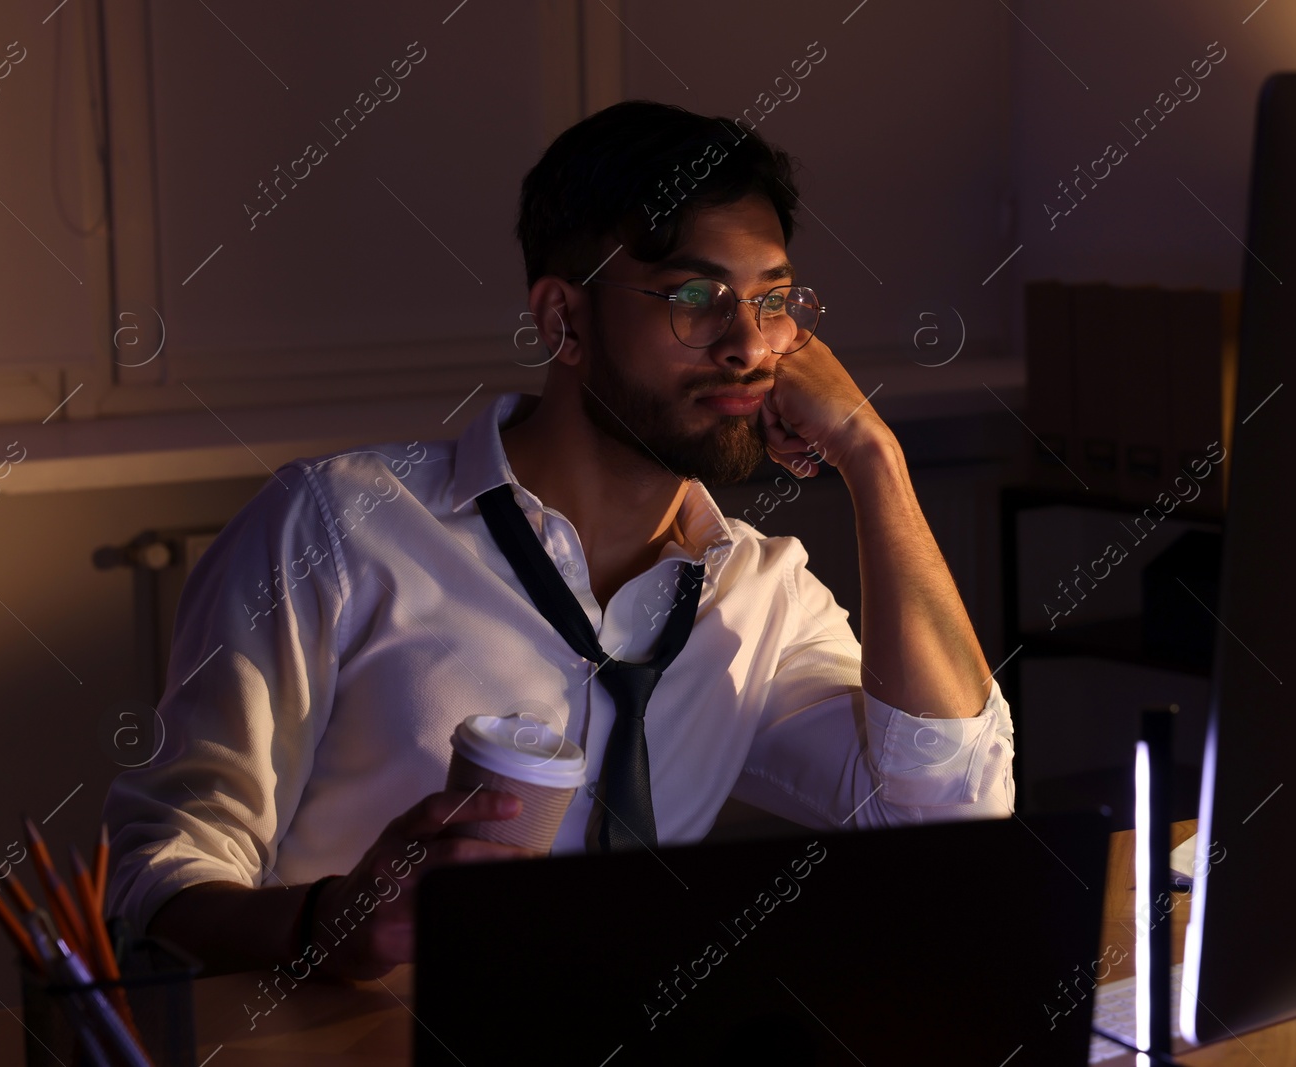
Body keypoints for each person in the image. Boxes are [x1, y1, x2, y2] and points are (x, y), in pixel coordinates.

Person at [103, 100, 1015, 982]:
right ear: (562, 320)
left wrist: (872, 455)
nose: (748, 345)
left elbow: (950, 810)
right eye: (695, 297)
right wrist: (334, 924)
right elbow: (156, 876)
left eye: (772, 299)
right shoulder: (336, 528)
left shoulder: (758, 592)